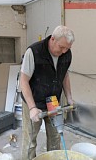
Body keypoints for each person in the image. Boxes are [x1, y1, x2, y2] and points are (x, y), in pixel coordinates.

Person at [20, 25, 75, 160]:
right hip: (34, 102)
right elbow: (23, 81)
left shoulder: (66, 54)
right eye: (61, 47)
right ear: (52, 39)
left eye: (67, 48)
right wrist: (32, 108)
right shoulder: (34, 52)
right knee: (30, 141)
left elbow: (65, 75)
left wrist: (69, 97)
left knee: (56, 137)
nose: (64, 51)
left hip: (53, 101)